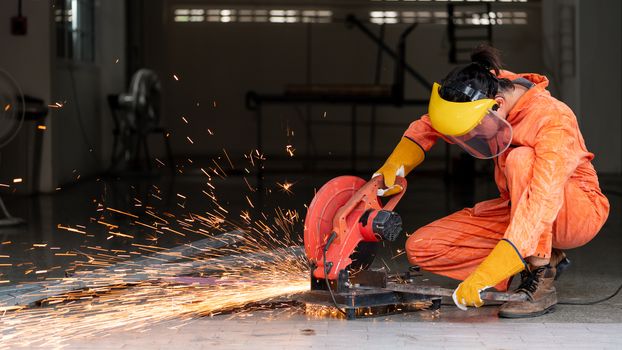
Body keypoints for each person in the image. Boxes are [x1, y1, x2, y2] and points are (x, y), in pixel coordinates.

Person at [374, 45, 610, 318]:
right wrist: (395, 166)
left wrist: (490, 269)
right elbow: (431, 125)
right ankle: (524, 258)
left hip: (573, 211)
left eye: (472, 130)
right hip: (517, 207)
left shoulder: (552, 118)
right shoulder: (488, 85)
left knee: (519, 160)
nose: (468, 137)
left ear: (496, 105)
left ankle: (540, 273)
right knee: (422, 247)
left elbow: (544, 199)